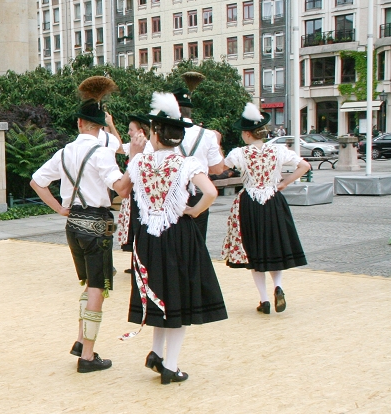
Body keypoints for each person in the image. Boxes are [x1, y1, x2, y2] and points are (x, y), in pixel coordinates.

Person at [123, 93, 227, 384]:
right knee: (179, 297)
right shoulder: (186, 163)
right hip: (178, 233)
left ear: (155, 133)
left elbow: (122, 190)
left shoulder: (139, 163)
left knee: (158, 293)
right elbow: (211, 192)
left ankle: (156, 354)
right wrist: (194, 210)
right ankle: (170, 365)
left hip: (147, 236)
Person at [29, 77, 131, 374]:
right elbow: (121, 189)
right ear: (100, 127)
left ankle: (80, 340)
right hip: (97, 224)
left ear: (79, 123)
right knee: (98, 289)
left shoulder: (64, 152)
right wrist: (135, 163)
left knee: (89, 285)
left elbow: (37, 182)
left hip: (73, 223)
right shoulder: (102, 152)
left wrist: (60, 208)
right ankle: (87, 356)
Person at [221, 103, 310, 314]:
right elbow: (305, 166)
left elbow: (221, 168)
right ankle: (278, 286)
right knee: (274, 246)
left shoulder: (239, 153)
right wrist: (284, 183)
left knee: (254, 252)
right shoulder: (278, 150)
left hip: (250, 202)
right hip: (273, 200)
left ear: (247, 133)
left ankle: (264, 300)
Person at [170, 72, 226, 239]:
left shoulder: (162, 134)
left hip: (171, 195)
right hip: (199, 195)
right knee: (197, 243)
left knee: (171, 244)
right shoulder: (207, 135)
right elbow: (218, 169)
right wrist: (218, 142)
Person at [117, 113, 153, 256]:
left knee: (140, 227)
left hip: (144, 195)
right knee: (135, 228)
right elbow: (118, 148)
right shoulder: (133, 146)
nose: (128, 132)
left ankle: (141, 260)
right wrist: (110, 125)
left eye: (131, 129)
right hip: (134, 194)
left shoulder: (149, 148)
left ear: (140, 132)